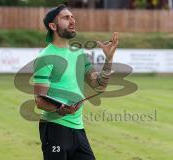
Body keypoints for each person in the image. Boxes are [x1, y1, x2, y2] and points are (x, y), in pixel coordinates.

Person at [33, 4, 119, 160]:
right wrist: (61, 109)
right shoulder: (45, 57)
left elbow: (99, 85)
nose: (72, 20)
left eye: (72, 17)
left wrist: (109, 59)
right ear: (53, 26)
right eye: (66, 18)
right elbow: (39, 101)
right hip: (55, 129)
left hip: (78, 129)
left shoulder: (79, 53)